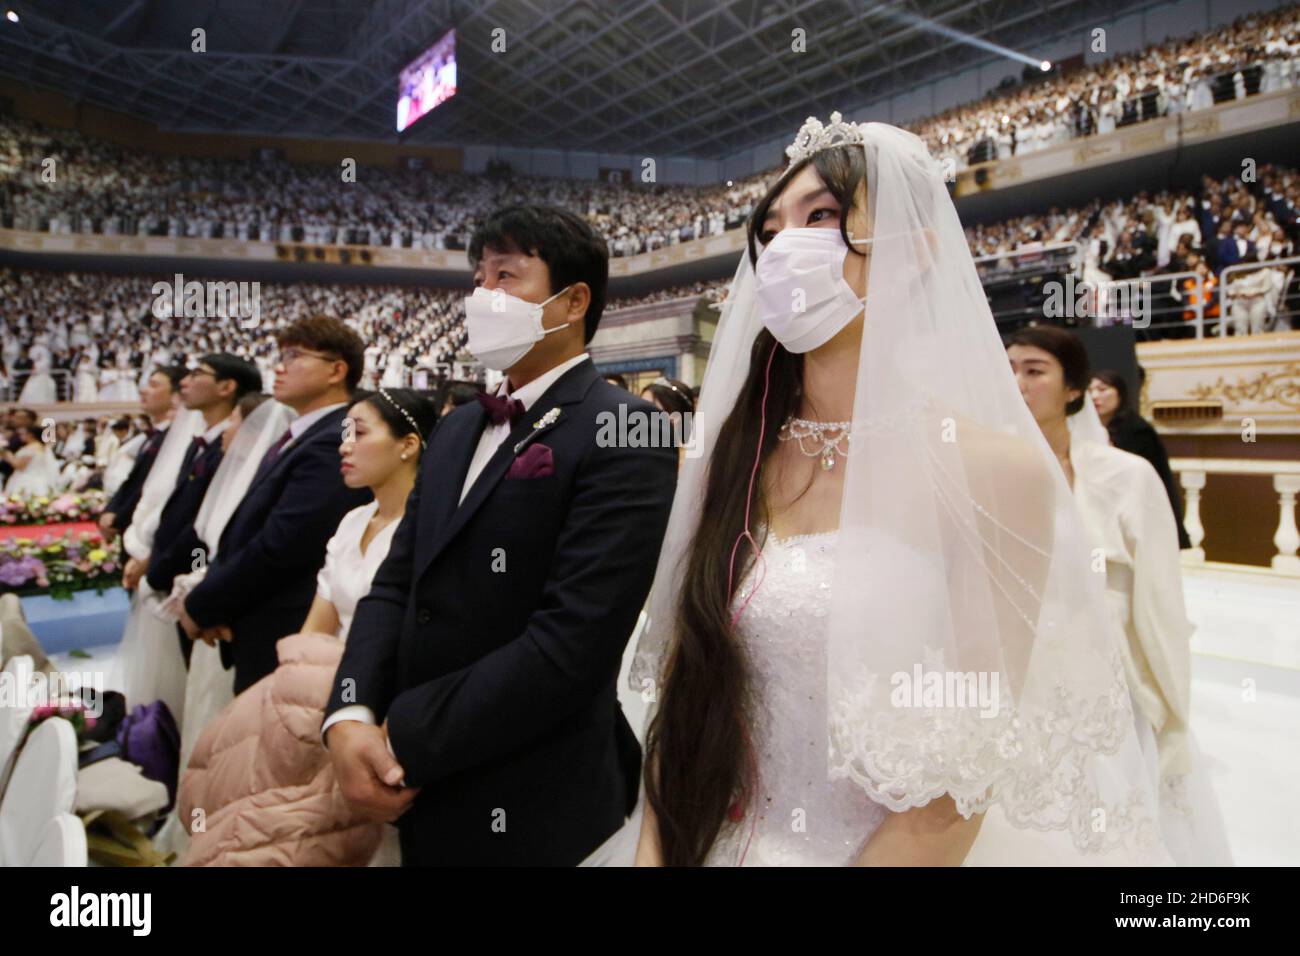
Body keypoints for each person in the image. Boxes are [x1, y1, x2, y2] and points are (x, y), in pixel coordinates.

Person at [625, 116, 1167, 867]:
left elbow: (957, 785)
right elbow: (682, 705)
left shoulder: (994, 473)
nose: (786, 248)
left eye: (822, 218)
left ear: (916, 255)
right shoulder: (731, 457)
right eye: (771, 229)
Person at [323, 204, 678, 866]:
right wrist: (349, 715)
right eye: (478, 277)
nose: (483, 296)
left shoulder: (630, 428)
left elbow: (573, 641)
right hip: (422, 795)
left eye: (507, 275)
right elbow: (399, 581)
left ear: (572, 301)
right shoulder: (456, 429)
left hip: (535, 799)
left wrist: (406, 734)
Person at [177, 388, 437, 866]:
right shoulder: (351, 523)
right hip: (323, 700)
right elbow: (313, 634)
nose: (344, 446)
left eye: (359, 433)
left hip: (386, 712)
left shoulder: (431, 534)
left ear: (408, 445)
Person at [1007, 325, 1232, 865]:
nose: (1016, 383)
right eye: (1008, 369)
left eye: (1034, 371)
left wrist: (1170, 710)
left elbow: (1158, 605)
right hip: (1017, 688)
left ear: (1074, 389)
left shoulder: (1125, 478)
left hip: (1110, 685)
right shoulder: (987, 472)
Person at [179, 317, 371, 693]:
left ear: (337, 370)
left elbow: (281, 546)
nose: (279, 366)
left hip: (282, 623)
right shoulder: (303, 435)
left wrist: (204, 604)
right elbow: (246, 531)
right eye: (280, 355)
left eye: (294, 355)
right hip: (253, 616)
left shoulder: (334, 440)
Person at [1088, 368, 1191, 550]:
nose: (1095, 396)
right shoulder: (1090, 428)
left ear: (1119, 393)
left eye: (1102, 389)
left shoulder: (1136, 430)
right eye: (1090, 391)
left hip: (1139, 508)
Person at [99, 365, 184, 541]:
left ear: (177, 394)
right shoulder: (150, 437)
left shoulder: (176, 437)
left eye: (154, 385)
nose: (144, 391)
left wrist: (118, 518)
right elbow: (131, 481)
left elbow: (147, 488)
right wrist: (110, 509)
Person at [1, 424, 60, 498]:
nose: (20, 436)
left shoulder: (32, 448)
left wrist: (8, 456)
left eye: (23, 434)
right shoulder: (39, 446)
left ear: (31, 435)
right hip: (37, 477)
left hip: (25, 478)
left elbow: (20, 466)